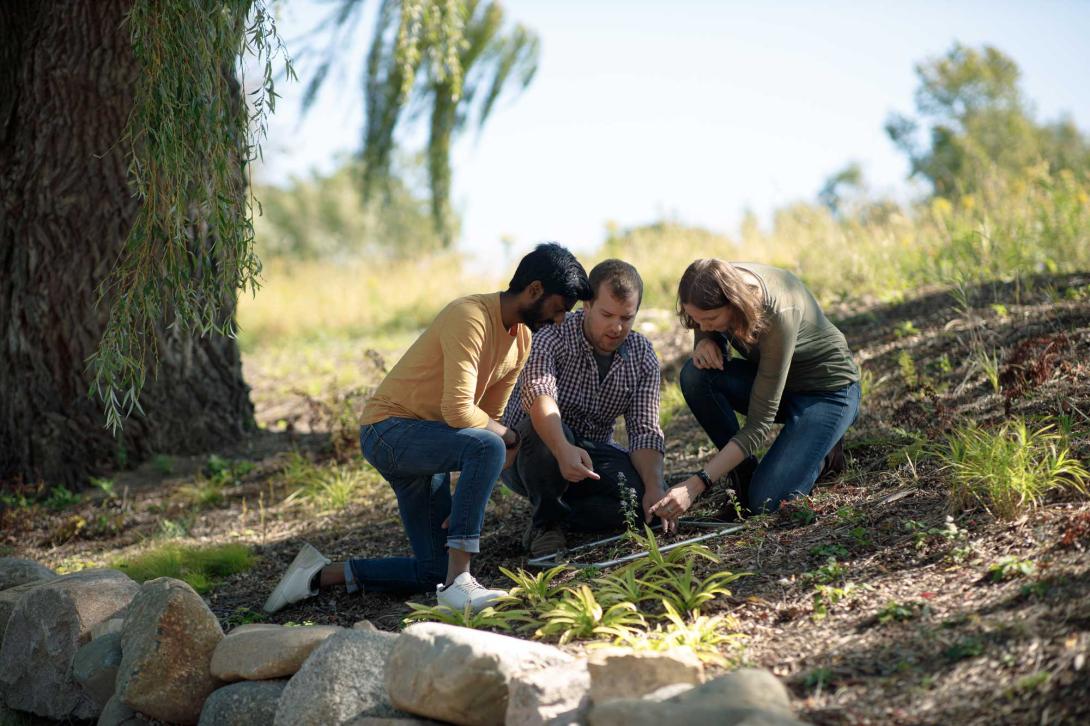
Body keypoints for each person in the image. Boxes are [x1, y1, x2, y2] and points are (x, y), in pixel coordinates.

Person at [264, 243, 592, 614]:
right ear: (534, 290)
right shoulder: (470, 316)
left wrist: (472, 493)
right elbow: (460, 413)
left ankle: (318, 575)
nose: (562, 319)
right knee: (490, 446)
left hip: (424, 444)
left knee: (429, 570)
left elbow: (486, 419)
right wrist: (507, 439)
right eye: (560, 308)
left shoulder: (522, 340)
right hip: (388, 431)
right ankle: (459, 583)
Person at [650, 259, 860, 531]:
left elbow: (758, 426)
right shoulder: (709, 283)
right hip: (777, 385)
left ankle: (825, 452)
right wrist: (705, 340)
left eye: (710, 320)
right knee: (696, 374)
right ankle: (744, 475)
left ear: (735, 304)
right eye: (695, 320)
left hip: (827, 393)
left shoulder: (776, 313)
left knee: (766, 502)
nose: (703, 325)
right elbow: (704, 320)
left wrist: (696, 484)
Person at [501, 259, 667, 557]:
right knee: (548, 431)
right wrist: (563, 449)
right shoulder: (552, 335)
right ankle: (546, 524)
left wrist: (655, 486)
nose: (617, 327)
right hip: (529, 452)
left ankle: (561, 512)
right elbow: (539, 395)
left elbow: (644, 430)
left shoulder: (643, 355)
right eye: (607, 314)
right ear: (587, 304)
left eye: (627, 318)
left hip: (592, 456)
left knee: (638, 501)